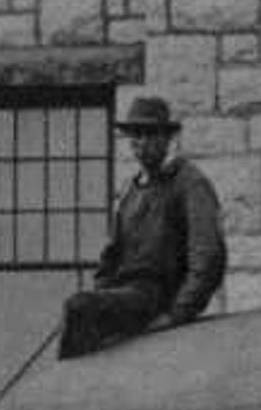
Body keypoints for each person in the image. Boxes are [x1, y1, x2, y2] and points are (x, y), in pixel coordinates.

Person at [58, 94, 227, 359]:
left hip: (157, 296)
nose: (142, 143)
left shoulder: (189, 183)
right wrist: (104, 295)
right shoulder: (131, 191)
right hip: (126, 296)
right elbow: (110, 258)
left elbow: (208, 255)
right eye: (135, 135)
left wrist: (176, 313)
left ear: (167, 138)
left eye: (151, 135)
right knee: (82, 312)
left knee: (79, 307)